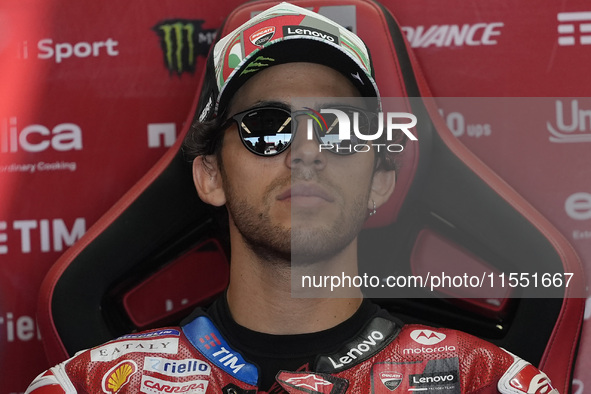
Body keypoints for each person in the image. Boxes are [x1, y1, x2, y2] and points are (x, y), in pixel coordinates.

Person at [26, 3, 559, 394]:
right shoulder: (91, 384)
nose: (305, 152)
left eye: (339, 128)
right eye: (266, 126)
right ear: (210, 175)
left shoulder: (488, 382)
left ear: (380, 180)